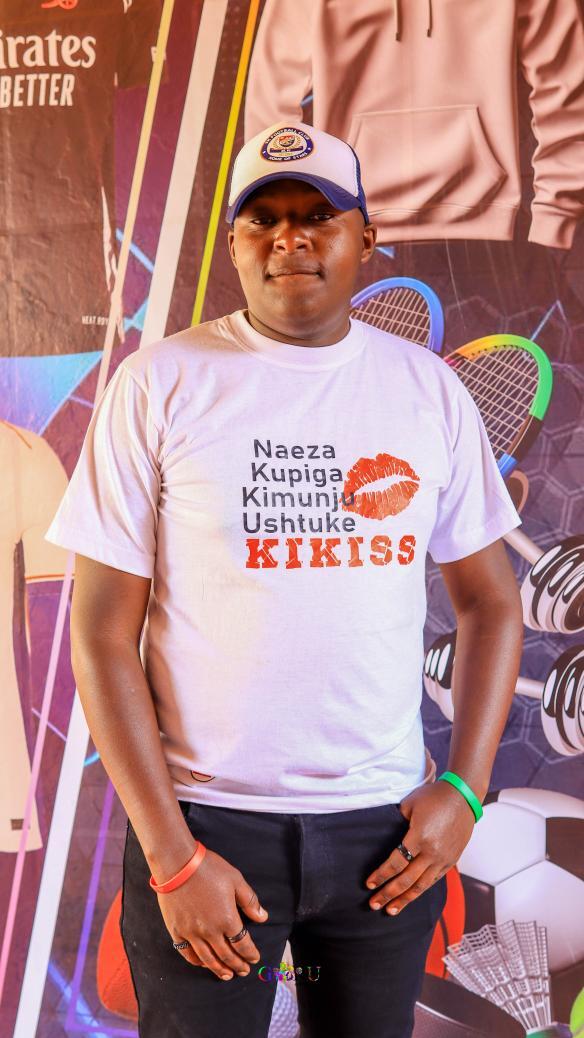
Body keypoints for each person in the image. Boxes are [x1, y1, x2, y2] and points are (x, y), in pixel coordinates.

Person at [45, 121, 524, 1038]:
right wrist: (173, 855)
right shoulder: (158, 384)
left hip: (388, 837)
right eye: (262, 219)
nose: (288, 238)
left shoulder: (426, 390)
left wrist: (465, 791)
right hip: (208, 832)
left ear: (366, 239)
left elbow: (493, 604)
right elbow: (101, 636)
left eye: (317, 215)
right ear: (232, 242)